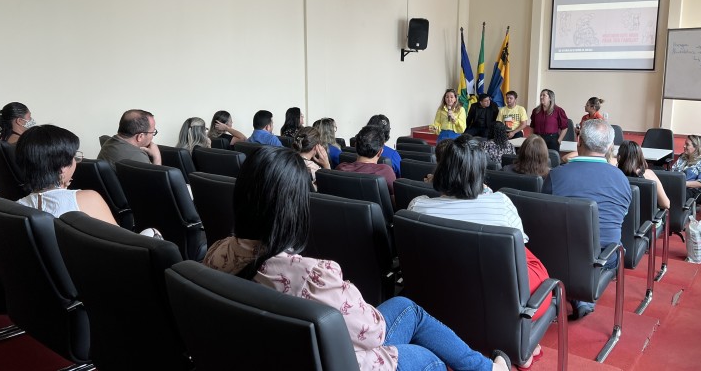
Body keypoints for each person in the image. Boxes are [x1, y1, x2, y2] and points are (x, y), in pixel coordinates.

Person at [203, 146, 512, 371]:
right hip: (341, 362)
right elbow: (374, 331)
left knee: (408, 308)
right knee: (427, 357)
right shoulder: (313, 276)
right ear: (294, 207)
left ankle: (485, 368)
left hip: (277, 354)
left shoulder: (215, 252)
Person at [407, 135, 550, 369]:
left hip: (439, 295)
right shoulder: (501, 204)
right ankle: (519, 342)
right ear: (480, 174)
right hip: (493, 302)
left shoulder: (417, 206)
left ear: (441, 169)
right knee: (526, 257)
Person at [542, 119, 631, 320]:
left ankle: (577, 295)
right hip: (604, 257)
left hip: (559, 255)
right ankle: (582, 295)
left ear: (578, 141)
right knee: (616, 248)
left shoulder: (556, 176)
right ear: (610, 147)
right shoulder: (621, 179)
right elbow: (620, 218)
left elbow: (545, 214)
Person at [15, 125, 117, 225]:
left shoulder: (16, 207)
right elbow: (121, 240)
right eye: (74, 156)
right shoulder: (88, 199)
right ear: (62, 168)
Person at [336, 125, 396, 195]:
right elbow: (395, 202)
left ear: (355, 146)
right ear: (380, 152)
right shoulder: (385, 172)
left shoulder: (341, 168)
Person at [97, 109, 161, 170]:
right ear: (140, 136)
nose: (152, 136)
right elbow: (156, 180)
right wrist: (157, 157)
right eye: (152, 132)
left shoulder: (108, 142)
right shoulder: (137, 156)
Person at [617, 141, 671, 210]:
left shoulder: (614, 176)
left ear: (619, 157)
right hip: (647, 219)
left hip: (623, 219)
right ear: (640, 156)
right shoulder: (649, 175)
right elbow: (666, 204)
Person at [671, 135, 701, 200]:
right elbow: (672, 172)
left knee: (672, 194)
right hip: (677, 186)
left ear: (696, 147)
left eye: (687, 144)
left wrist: (682, 183)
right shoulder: (683, 157)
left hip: (693, 191)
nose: (684, 146)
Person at [292, 126, 330, 191]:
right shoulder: (315, 169)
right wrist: (327, 165)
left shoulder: (285, 160)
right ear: (316, 147)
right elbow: (328, 188)